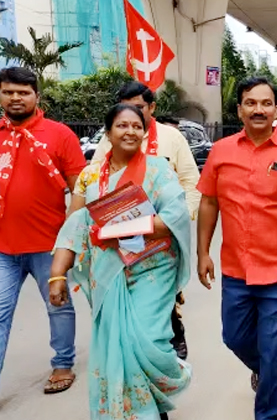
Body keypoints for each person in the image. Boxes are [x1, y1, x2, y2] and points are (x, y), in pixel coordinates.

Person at [197, 77, 277, 420]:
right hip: (236, 269)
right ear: (239, 109)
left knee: (274, 352)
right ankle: (267, 369)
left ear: (276, 110)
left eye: (266, 103)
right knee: (234, 337)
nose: (259, 109)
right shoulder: (221, 151)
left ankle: (267, 411)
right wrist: (202, 252)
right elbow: (209, 203)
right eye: (251, 103)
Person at [50, 104, 192, 420]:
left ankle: (158, 394)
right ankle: (140, 412)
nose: (130, 131)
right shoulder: (91, 177)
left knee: (145, 341)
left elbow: (174, 216)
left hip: (154, 269)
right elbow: (76, 225)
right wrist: (57, 275)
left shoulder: (159, 169)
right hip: (111, 275)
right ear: (108, 132)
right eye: (122, 125)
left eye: (136, 126)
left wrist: (117, 228)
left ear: (144, 132)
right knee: (118, 346)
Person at [91, 81, 200, 360]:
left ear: (151, 107)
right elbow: (94, 181)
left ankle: (169, 341)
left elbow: (189, 180)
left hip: (160, 241)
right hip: (118, 242)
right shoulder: (109, 139)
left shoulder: (171, 138)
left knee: (157, 309)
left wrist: (177, 220)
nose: (130, 128)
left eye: (138, 109)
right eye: (124, 113)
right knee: (127, 316)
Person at [0, 67, 85, 393]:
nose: (15, 98)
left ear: (36, 95)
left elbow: (79, 186)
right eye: (9, 92)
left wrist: (72, 237)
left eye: (23, 92)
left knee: (58, 306)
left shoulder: (59, 134)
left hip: (48, 244)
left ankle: (63, 364)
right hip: (3, 247)